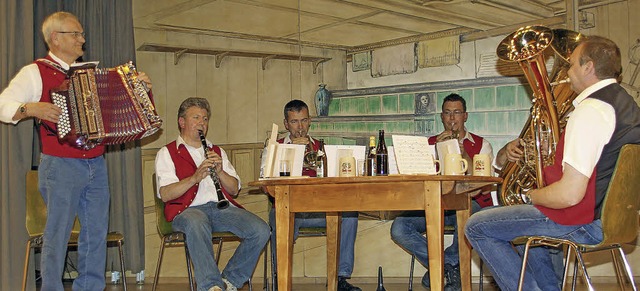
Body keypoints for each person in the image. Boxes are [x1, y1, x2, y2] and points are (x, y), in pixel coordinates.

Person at [465, 36, 640, 291]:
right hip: (613, 220)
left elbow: (569, 195)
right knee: (524, 233)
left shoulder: (590, 110)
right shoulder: (626, 104)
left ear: (588, 67)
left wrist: (529, 196)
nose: (566, 72)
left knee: (477, 225)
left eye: (570, 65)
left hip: (584, 221)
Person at [0, 12, 152, 290]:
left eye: (82, 34)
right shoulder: (35, 72)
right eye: (76, 34)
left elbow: (113, 113)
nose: (83, 39)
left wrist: (137, 89)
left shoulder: (89, 73)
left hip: (96, 164)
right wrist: (30, 108)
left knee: (95, 234)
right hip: (59, 165)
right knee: (57, 235)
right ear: (56, 38)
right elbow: (3, 104)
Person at [155, 97, 270, 291]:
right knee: (196, 222)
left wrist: (220, 171)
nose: (202, 123)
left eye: (205, 119)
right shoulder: (167, 153)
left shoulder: (217, 151)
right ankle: (210, 286)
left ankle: (229, 281)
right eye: (196, 118)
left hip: (221, 209)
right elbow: (166, 194)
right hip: (187, 210)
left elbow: (234, 190)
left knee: (261, 230)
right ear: (182, 122)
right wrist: (194, 178)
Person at [390, 93, 494, 290]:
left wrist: (462, 153)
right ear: (442, 117)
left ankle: (445, 267)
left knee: (466, 214)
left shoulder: (482, 145)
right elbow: (416, 180)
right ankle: (446, 266)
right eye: (447, 113)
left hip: (470, 204)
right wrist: (436, 149)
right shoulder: (428, 144)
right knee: (399, 228)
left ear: (465, 116)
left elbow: (483, 184)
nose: (452, 118)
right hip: (434, 204)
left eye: (456, 113)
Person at [261, 99, 361, 291]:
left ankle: (339, 278)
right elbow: (266, 184)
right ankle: (278, 279)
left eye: (304, 121)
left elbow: (333, 180)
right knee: (278, 220)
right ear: (285, 124)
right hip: (289, 209)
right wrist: (293, 153)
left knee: (349, 214)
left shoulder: (321, 147)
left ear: (310, 121)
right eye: (294, 122)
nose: (300, 127)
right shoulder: (275, 147)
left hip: (319, 210)